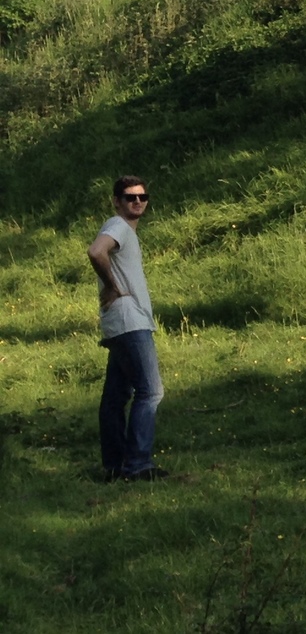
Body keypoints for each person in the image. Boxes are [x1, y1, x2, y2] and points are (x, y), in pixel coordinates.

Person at [88, 174, 166, 481]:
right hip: (128, 321)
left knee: (115, 398)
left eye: (142, 197)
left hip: (121, 322)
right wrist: (112, 285)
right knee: (150, 392)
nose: (137, 202)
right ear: (116, 201)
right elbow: (96, 251)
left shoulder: (126, 231)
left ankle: (114, 466)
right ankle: (137, 466)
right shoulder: (118, 225)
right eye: (130, 197)